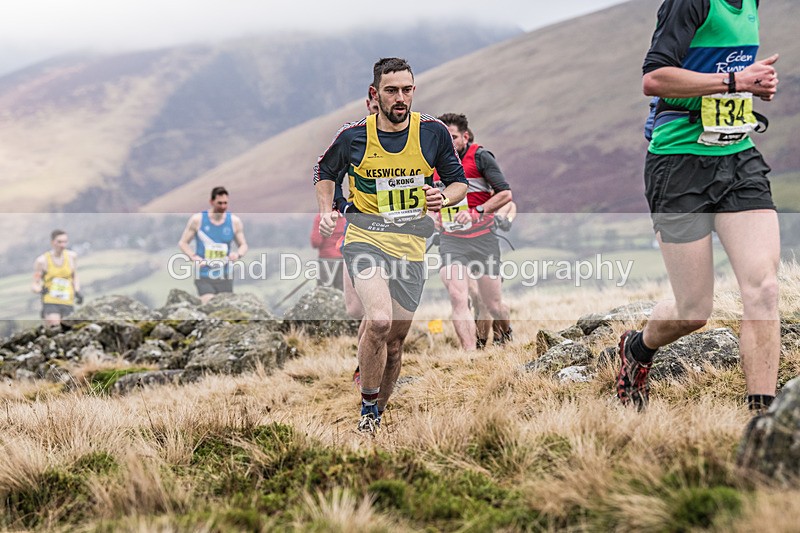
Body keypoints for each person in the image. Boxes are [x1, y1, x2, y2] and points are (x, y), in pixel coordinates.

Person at [618, 0, 780, 416]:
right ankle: (637, 348)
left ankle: (762, 422)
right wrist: (733, 81)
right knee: (693, 311)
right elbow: (654, 79)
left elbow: (722, 67)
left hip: (738, 157)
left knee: (763, 289)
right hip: (678, 165)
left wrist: (751, 83)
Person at [314, 57, 467, 433]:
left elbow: (458, 183)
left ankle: (376, 415)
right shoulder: (353, 136)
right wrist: (326, 211)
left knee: (395, 344)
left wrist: (443, 199)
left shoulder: (432, 133)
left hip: (412, 245)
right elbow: (324, 170)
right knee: (378, 320)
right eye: (392, 90)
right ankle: (366, 411)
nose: (400, 98)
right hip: (365, 237)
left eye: (407, 90)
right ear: (374, 94)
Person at [435, 113, 513, 350]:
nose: (449, 142)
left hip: (483, 239)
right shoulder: (432, 162)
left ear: (465, 136)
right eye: (444, 138)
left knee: (493, 303)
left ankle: (505, 334)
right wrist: (432, 217)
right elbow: (424, 198)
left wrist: (477, 211)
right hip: (451, 240)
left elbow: (505, 194)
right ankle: (471, 354)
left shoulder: (480, 157)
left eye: (453, 137)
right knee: (459, 298)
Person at [178, 186, 249, 304]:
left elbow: (243, 245)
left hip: (225, 275)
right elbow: (183, 243)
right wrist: (193, 257)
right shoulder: (198, 220)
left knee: (225, 310)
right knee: (209, 304)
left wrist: (238, 255)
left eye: (225, 203)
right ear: (211, 202)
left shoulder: (234, 222)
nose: (223, 206)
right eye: (219, 203)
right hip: (204, 274)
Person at [32, 229, 82, 329]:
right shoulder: (42, 261)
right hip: (51, 301)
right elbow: (34, 283)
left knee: (69, 330)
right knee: (54, 328)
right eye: (59, 242)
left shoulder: (72, 257)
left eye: (65, 242)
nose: (62, 245)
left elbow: (74, 276)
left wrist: (77, 291)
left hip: (67, 300)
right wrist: (40, 290)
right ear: (52, 242)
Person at [310, 213, 346, 291]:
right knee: (343, 293)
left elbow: (316, 242)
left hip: (327, 260)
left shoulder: (321, 218)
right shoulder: (345, 217)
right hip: (343, 261)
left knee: (323, 292)